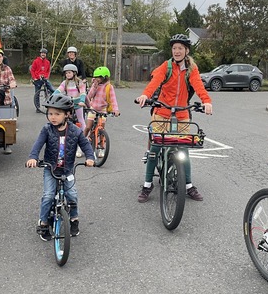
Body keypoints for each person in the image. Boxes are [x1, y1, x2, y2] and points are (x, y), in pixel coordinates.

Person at [135, 33, 213, 203]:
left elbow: (198, 86)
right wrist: (145, 95)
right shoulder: (166, 66)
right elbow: (154, 82)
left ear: (186, 51)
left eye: (180, 48)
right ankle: (148, 184)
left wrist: (206, 101)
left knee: (183, 151)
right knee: (155, 148)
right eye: (174, 48)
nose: (177, 51)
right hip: (162, 111)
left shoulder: (191, 69)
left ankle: (189, 185)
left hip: (182, 113)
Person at [25, 94, 95, 240]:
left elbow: (86, 145)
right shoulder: (47, 129)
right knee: (48, 196)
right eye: (50, 113)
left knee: (72, 195)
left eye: (57, 114)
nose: (53, 117)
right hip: (50, 168)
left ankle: (74, 219)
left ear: (67, 114)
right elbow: (38, 144)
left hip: (67, 169)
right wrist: (33, 157)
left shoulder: (75, 131)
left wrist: (90, 157)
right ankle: (43, 223)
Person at [85, 66, 120, 156]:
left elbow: (113, 99)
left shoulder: (109, 87)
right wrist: (94, 87)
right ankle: (82, 144)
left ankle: (101, 147)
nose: (97, 79)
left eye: (99, 77)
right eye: (96, 77)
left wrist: (115, 110)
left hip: (103, 109)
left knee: (101, 128)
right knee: (88, 126)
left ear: (105, 77)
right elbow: (89, 96)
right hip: (93, 108)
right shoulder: (94, 85)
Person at [54, 64, 87, 157]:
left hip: (77, 104)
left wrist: (81, 101)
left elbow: (83, 92)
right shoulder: (65, 83)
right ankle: (65, 144)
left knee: (81, 121)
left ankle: (83, 144)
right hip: (68, 104)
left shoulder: (79, 82)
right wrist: (52, 97)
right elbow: (58, 91)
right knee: (65, 122)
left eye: (69, 72)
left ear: (74, 73)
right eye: (66, 73)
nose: (67, 74)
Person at [31, 48, 55, 113]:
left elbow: (48, 71)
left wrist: (47, 77)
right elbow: (32, 70)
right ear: (40, 54)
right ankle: (37, 107)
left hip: (44, 78)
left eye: (44, 53)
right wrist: (34, 77)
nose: (43, 54)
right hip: (37, 78)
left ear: (46, 54)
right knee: (37, 93)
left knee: (53, 90)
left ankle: (52, 104)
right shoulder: (36, 61)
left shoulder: (47, 62)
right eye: (42, 53)